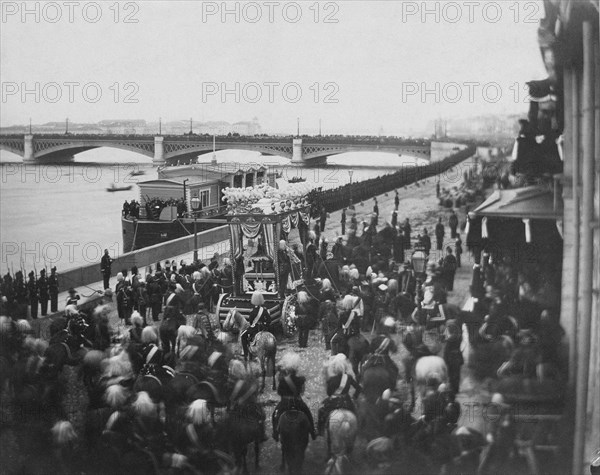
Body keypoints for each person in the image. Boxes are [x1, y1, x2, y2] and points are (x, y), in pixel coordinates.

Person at [272, 352, 317, 441]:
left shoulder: (283, 379)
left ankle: (275, 433)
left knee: (275, 415)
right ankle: (313, 432)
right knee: (308, 413)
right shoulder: (300, 379)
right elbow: (302, 392)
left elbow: (279, 392)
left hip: (284, 403)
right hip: (298, 402)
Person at [317, 354, 361, 436]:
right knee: (356, 412)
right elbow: (358, 389)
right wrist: (354, 397)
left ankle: (320, 430)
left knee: (321, 410)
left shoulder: (332, 379)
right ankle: (358, 430)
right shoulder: (349, 377)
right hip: (347, 401)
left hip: (333, 402)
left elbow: (329, 393)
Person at [241, 291, 271, 358]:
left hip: (254, 328)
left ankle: (246, 354)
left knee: (242, 335)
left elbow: (251, 322)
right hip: (263, 328)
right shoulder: (264, 310)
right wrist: (265, 326)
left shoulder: (252, 311)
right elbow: (269, 320)